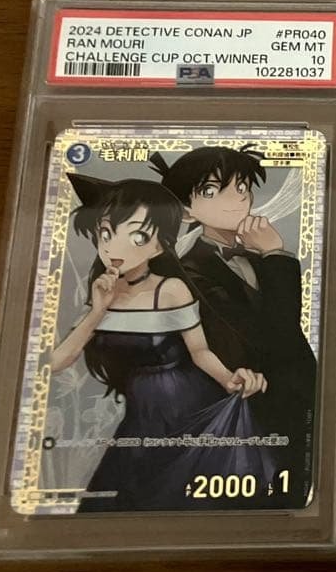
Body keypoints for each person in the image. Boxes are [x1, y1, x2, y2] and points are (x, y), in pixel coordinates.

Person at [52, 174, 270, 511]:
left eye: (137, 235)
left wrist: (229, 379)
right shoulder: (103, 292)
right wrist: (97, 311)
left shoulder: (170, 290)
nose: (114, 248)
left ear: (159, 244)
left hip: (186, 406)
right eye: (106, 233)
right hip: (140, 414)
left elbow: (199, 350)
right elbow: (57, 362)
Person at [150, 146, 316, 501]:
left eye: (242, 187)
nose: (236, 199)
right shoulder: (189, 271)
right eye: (212, 191)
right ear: (185, 210)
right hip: (248, 409)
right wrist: (275, 254)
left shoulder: (253, 257)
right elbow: (276, 337)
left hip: (293, 402)